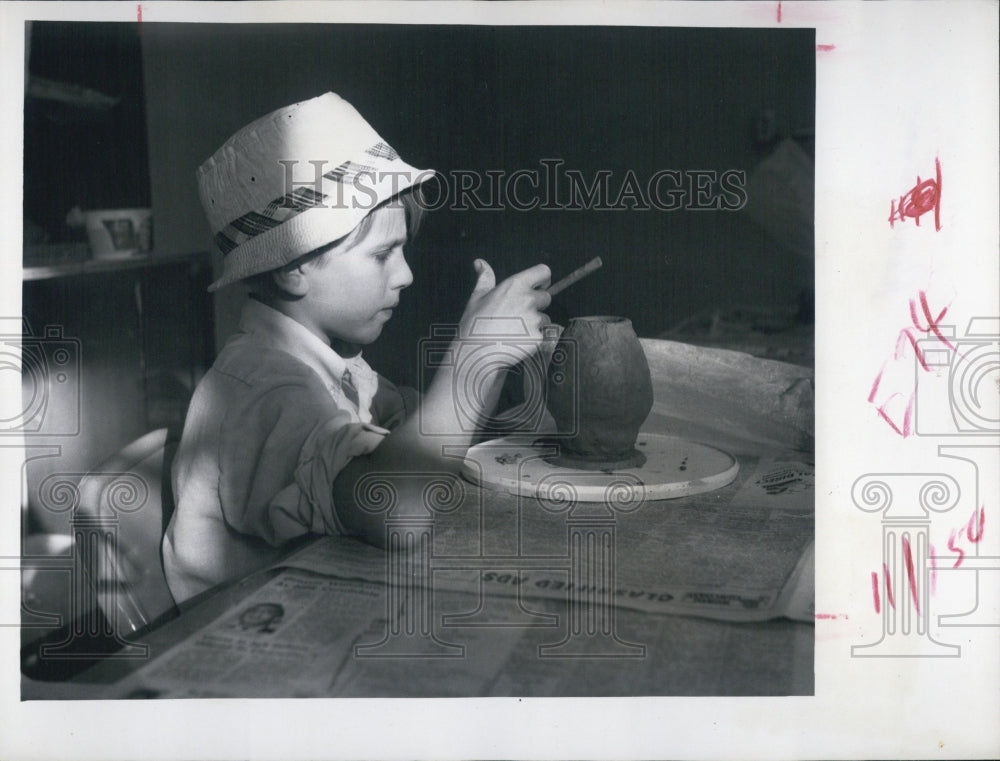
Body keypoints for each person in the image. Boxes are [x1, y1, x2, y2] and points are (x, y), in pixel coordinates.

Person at [162, 92, 551, 603]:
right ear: (294, 267)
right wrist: (472, 359)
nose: (406, 275)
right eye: (383, 254)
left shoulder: (339, 366)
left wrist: (493, 361)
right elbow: (395, 508)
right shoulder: (261, 389)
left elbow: (428, 459)